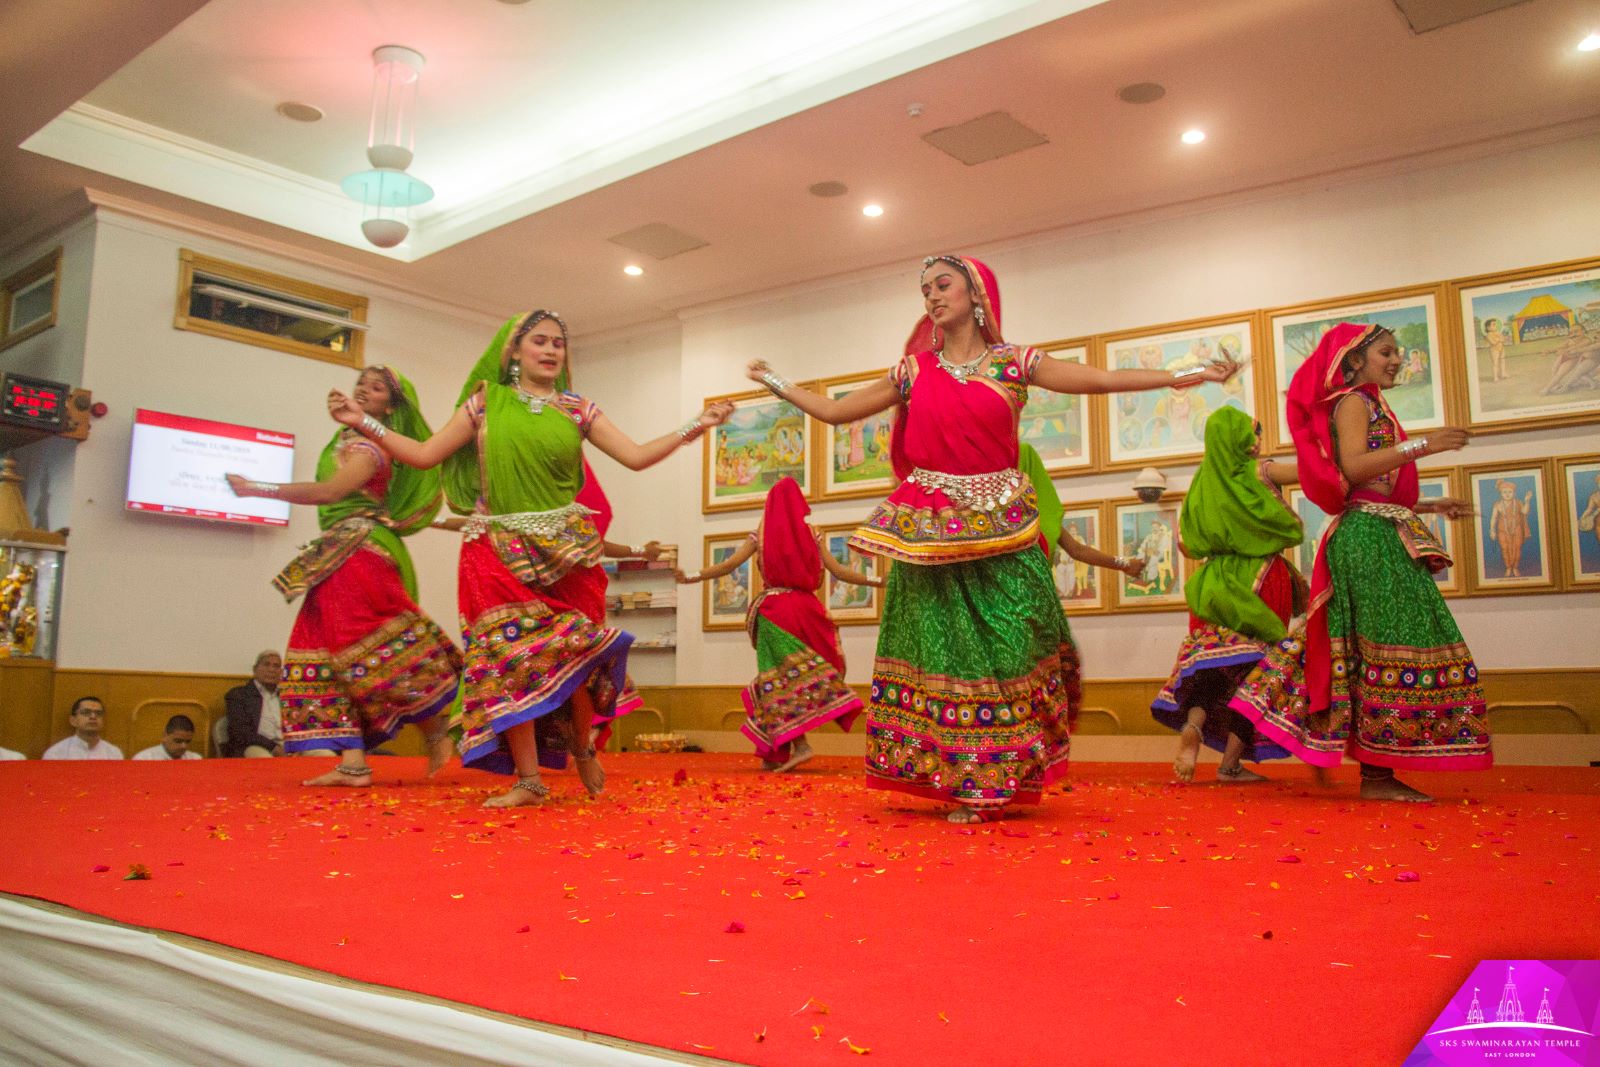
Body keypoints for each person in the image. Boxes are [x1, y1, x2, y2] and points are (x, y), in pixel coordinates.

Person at [745, 255, 1239, 823]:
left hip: (1002, 523)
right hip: (929, 532)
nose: (932, 296)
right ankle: (972, 780)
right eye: (925, 289)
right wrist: (775, 380)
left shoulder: (1013, 364)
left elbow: (1100, 380)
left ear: (976, 293)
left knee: (1012, 646)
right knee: (942, 654)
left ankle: (1003, 768)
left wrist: (1184, 374)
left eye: (943, 284)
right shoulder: (912, 371)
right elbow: (836, 412)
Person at [328, 310, 732, 807]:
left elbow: (636, 456)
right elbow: (426, 453)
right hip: (494, 548)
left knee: (572, 652)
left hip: (567, 551)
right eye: (539, 341)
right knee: (510, 658)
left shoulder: (577, 409)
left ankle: (582, 745)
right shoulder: (486, 403)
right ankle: (529, 779)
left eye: (558, 343)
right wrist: (362, 422)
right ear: (514, 350)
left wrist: (698, 425)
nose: (550, 350)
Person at [1228, 322, 1488, 802]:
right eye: (1385, 352)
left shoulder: (1372, 404)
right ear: (1354, 360)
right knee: (1380, 646)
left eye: (1397, 352)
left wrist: (1430, 505)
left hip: (1380, 530)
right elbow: (1353, 466)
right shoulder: (1352, 402)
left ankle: (1367, 763)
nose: (1396, 360)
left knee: (1383, 642)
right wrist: (1425, 445)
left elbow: (1370, 487)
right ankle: (1376, 775)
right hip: (1367, 539)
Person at [230, 366, 462, 788]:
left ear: (389, 408)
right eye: (361, 384)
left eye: (376, 388)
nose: (363, 390)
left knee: (365, 650)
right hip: (337, 552)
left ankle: (435, 730)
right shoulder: (346, 442)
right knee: (321, 651)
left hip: (359, 553)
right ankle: (354, 761)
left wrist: (256, 488)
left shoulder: (369, 449)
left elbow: (330, 493)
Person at [676, 476, 882, 772]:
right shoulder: (813, 533)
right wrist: (879, 580)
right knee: (797, 677)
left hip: (775, 613)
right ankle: (774, 751)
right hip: (806, 611)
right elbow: (840, 571)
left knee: (777, 682)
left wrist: (691, 576)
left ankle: (799, 745)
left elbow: (729, 565)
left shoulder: (760, 535)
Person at [1151, 409, 1305, 784]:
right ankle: (1230, 765)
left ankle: (1193, 727)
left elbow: (1187, 544)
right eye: (1254, 433)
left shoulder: (1202, 481)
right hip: (1260, 577)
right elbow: (1311, 474)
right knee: (1261, 673)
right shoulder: (1260, 471)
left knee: (1214, 665)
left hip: (1212, 582)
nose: (1258, 441)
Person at [1018, 442, 1144, 599]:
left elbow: (1078, 550)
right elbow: (1077, 550)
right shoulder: (1034, 520)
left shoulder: (1037, 520)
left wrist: (1125, 564)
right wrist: (1126, 564)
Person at [223, 651, 285, 757]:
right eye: (266, 664)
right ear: (255, 669)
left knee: (316, 753)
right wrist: (273, 747)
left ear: (281, 672)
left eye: (276, 666)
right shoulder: (238, 695)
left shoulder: (287, 696)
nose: (271, 670)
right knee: (265, 760)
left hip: (286, 744)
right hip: (255, 745)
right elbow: (241, 732)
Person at [42, 697, 124, 760]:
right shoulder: (56, 754)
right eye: (86, 712)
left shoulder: (113, 754)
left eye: (98, 713)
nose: (93, 717)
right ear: (73, 720)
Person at [1489, 478, 1533, 578]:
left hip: (1516, 528)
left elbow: (1525, 512)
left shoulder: (1518, 503)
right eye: (1505, 492)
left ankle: (1515, 567)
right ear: (1501, 493)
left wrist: (1527, 501)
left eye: (1510, 492)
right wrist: (1492, 530)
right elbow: (1493, 518)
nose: (1507, 494)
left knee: (1517, 548)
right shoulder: (1498, 504)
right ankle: (1508, 567)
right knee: (1505, 548)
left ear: (1514, 493)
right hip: (1502, 529)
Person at [132, 715, 203, 760]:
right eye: (178, 741)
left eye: (187, 742)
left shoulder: (195, 759)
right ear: (164, 736)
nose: (183, 746)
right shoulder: (144, 759)